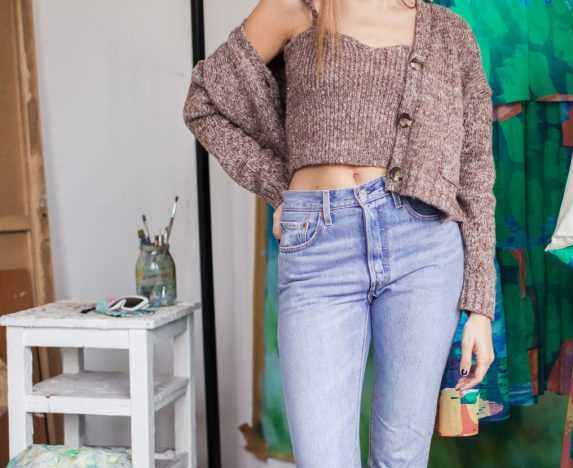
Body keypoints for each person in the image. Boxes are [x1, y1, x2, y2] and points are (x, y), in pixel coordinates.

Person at [182, 0, 496, 466]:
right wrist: (282, 189)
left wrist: (480, 308)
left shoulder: (451, 34)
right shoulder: (299, 7)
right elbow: (204, 102)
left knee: (401, 457)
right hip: (319, 250)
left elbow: (475, 172)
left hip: (425, 252)